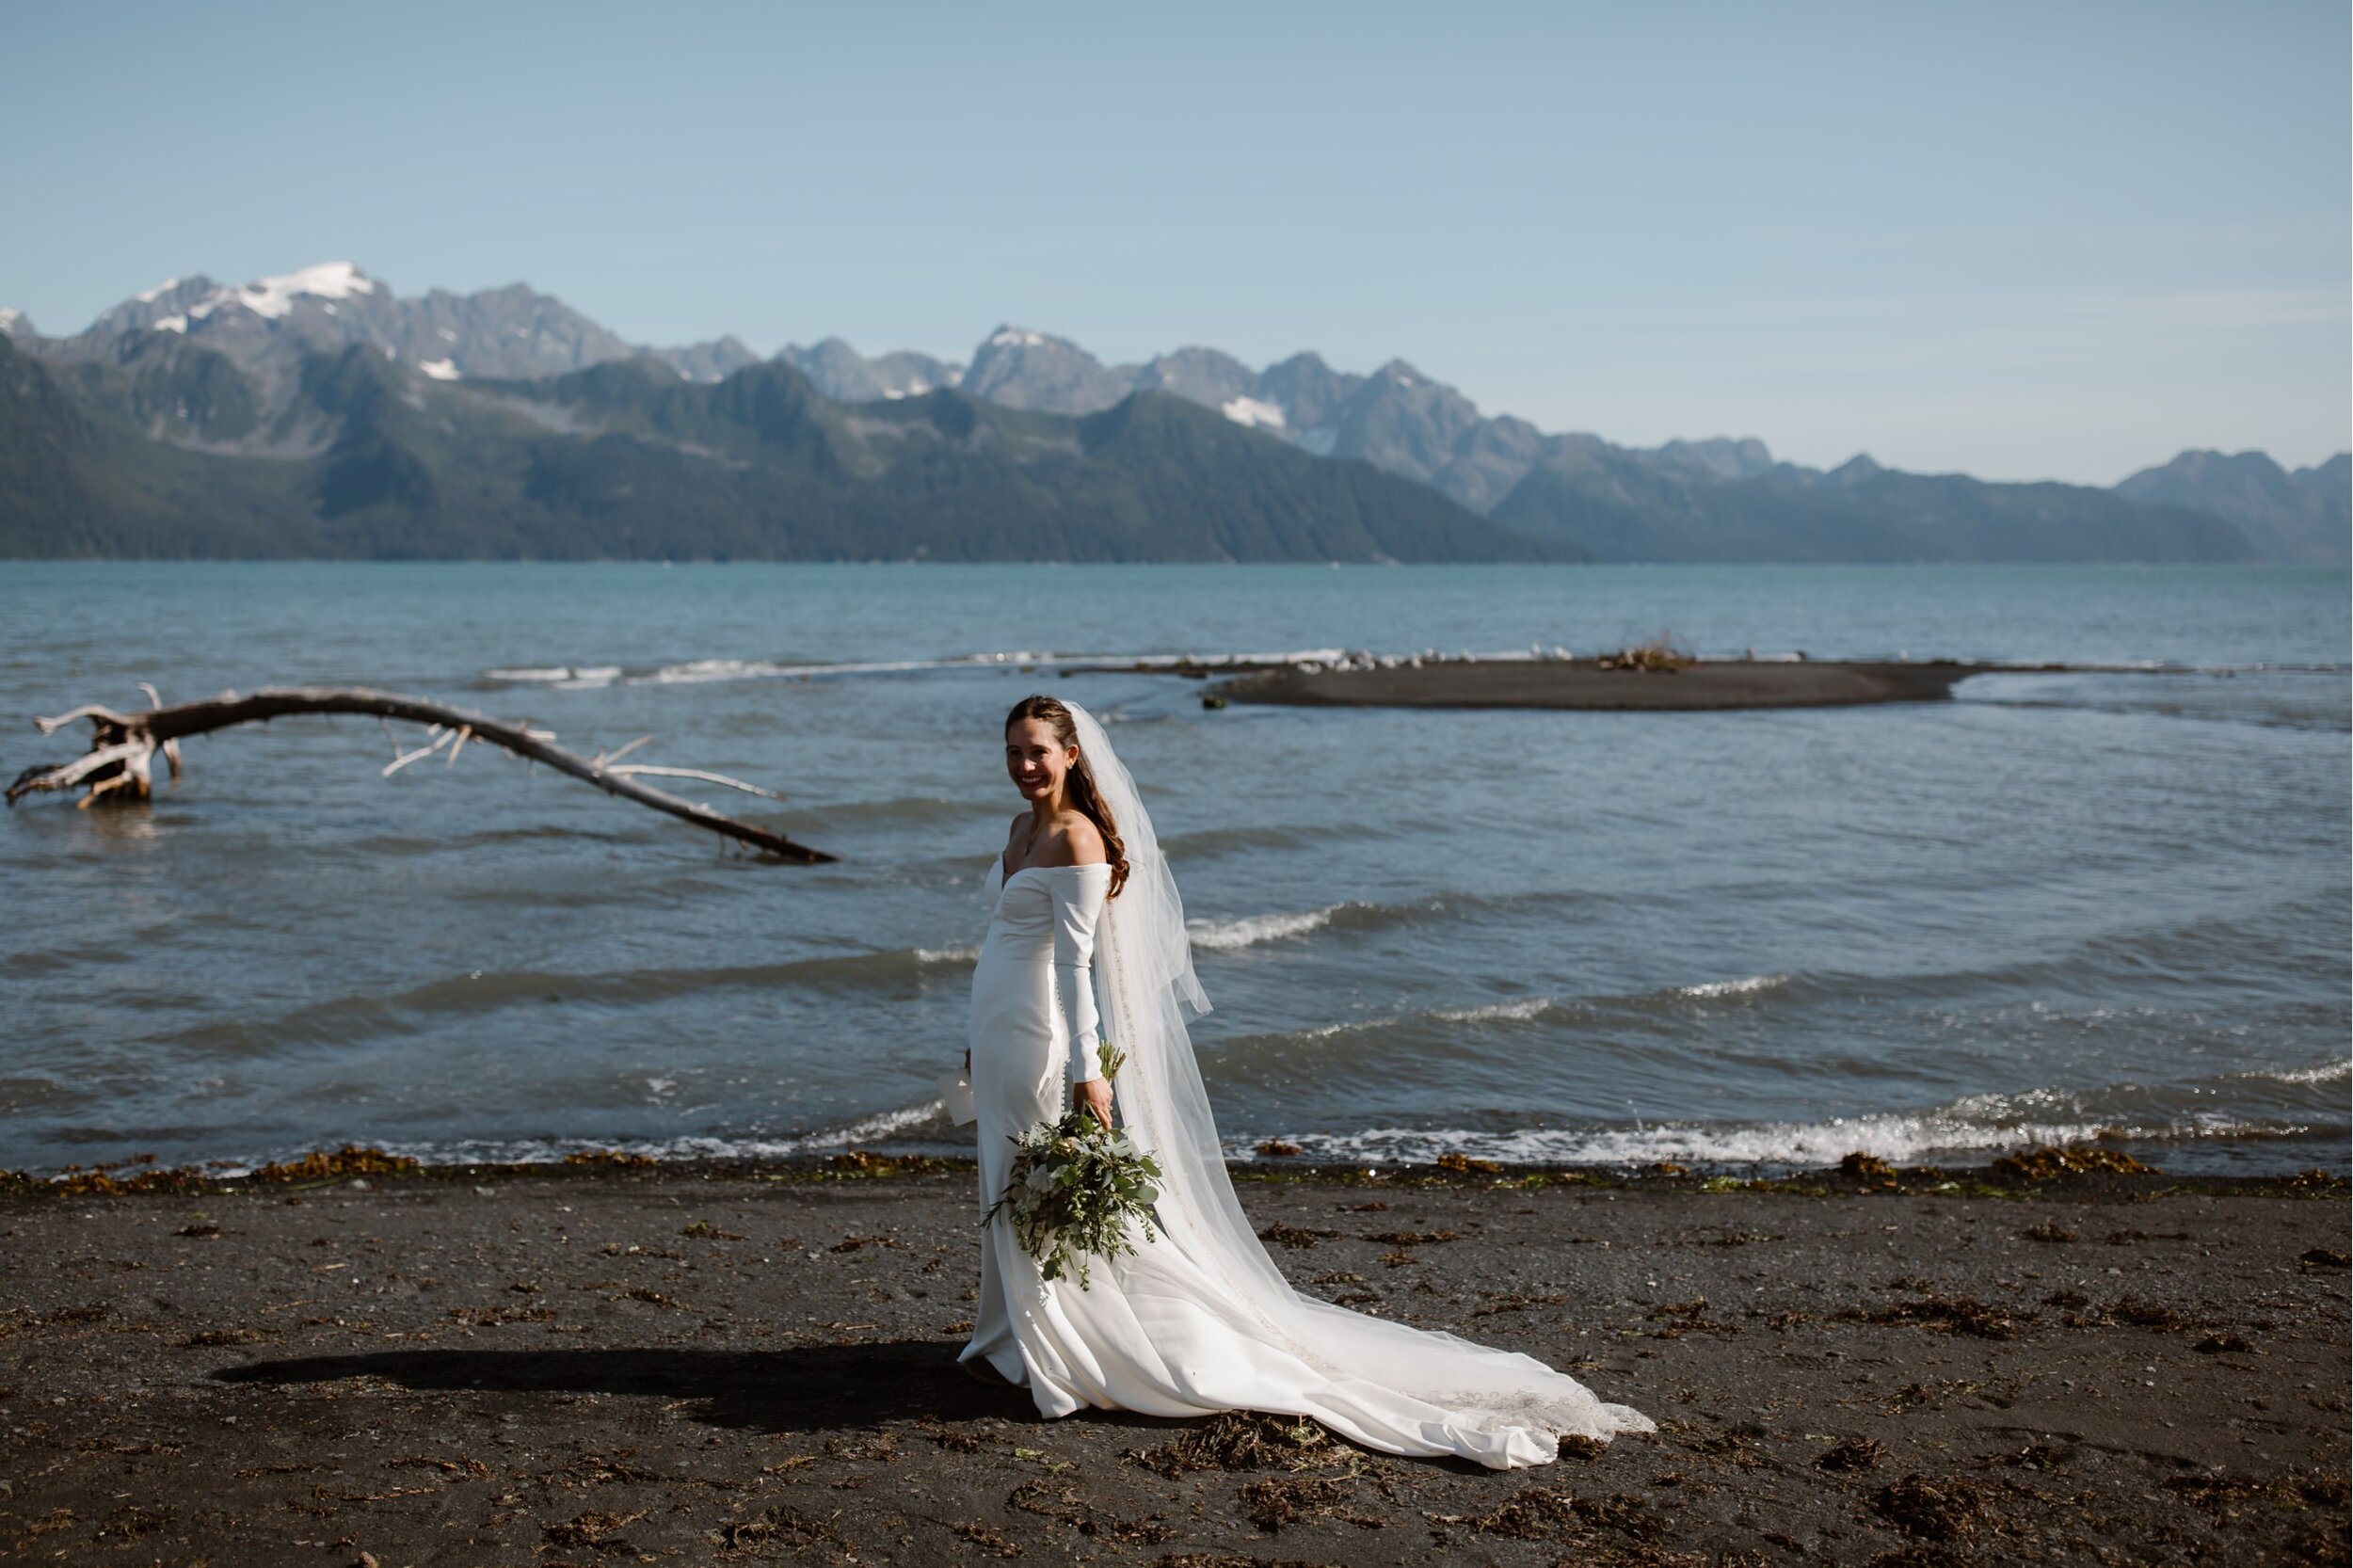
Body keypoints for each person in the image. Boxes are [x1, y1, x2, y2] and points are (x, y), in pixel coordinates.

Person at [957, 693, 1656, 1469]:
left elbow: (1075, 967)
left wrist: (1090, 1072)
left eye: (1037, 752)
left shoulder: (1078, 839)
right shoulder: (1020, 831)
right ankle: (1020, 1328)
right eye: (1013, 752)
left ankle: (1067, 1339)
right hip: (996, 1034)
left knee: (1037, 1183)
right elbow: (1001, 938)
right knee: (1009, 1175)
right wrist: (971, 1040)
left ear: (1071, 755)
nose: (1024, 767)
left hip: (1041, 1039)